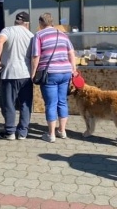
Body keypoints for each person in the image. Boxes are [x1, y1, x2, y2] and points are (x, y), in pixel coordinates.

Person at [31, 12, 76, 143]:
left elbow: (36, 56)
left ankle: (51, 134)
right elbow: (71, 53)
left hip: (50, 73)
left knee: (51, 103)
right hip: (65, 72)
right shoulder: (63, 35)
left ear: (40, 23)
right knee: (62, 101)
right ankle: (62, 131)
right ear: (52, 22)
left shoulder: (38, 35)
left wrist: (33, 73)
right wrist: (73, 69)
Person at [0, 11, 34, 140]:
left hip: (9, 73)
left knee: (9, 103)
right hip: (26, 74)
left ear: (16, 21)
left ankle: (10, 131)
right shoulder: (31, 35)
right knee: (25, 104)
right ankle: (22, 132)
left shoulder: (7, 30)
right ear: (27, 23)